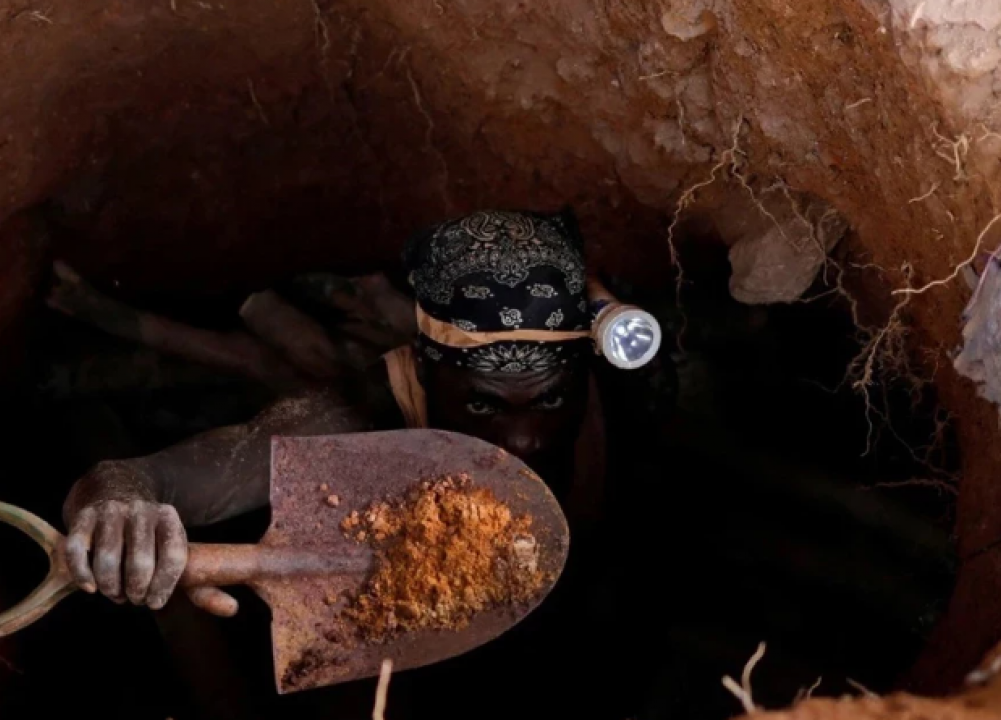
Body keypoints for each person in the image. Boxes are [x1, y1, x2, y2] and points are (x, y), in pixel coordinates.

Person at [55, 208, 650, 719]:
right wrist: (118, 503)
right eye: (481, 404)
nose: (523, 439)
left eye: (549, 401)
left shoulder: (623, 393)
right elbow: (156, 476)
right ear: (422, 371)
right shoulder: (365, 408)